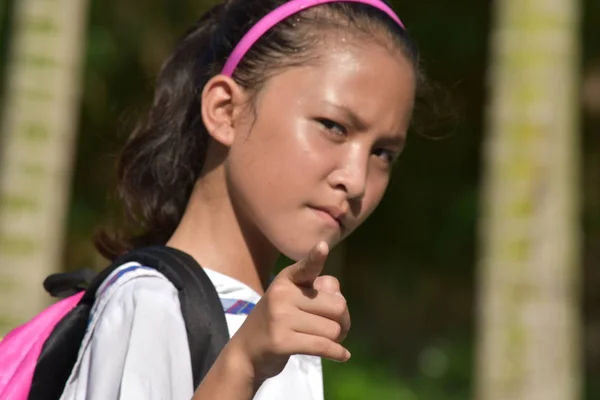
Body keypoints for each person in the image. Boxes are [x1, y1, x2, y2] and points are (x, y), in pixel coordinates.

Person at [60, 0, 423, 398]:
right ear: (226, 110)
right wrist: (242, 366)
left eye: (383, 153)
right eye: (333, 126)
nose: (356, 181)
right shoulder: (149, 303)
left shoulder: (285, 320)